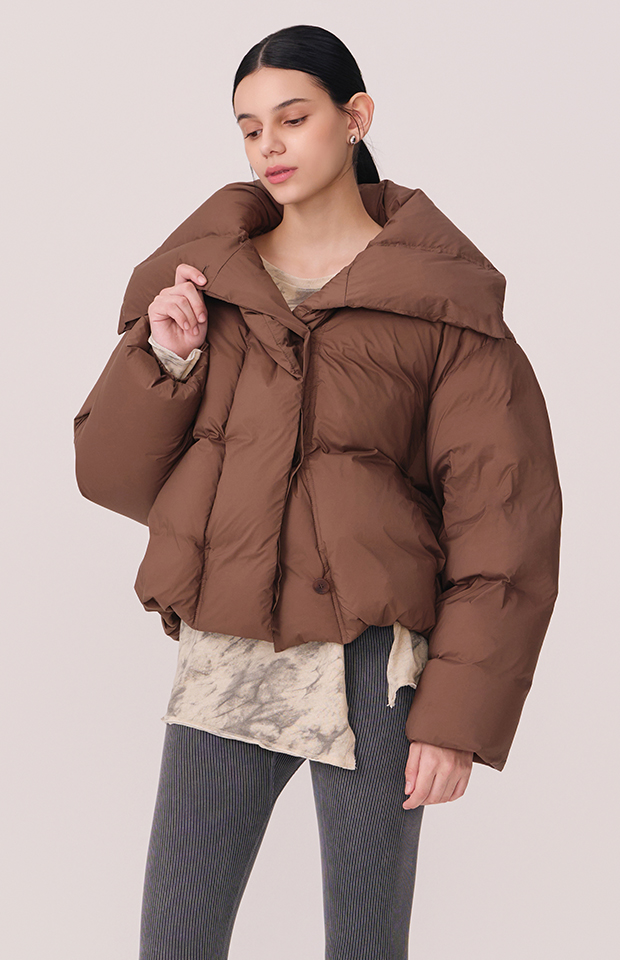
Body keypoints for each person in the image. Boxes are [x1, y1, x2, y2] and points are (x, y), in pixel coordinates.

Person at [73, 23, 562, 960]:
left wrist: (456, 720)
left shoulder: (441, 305)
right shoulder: (208, 286)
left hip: (375, 668)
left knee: (367, 948)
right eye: (250, 128)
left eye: (293, 119)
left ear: (356, 116)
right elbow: (112, 478)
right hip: (229, 649)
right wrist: (166, 361)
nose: (270, 146)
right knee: (174, 943)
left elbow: (504, 525)